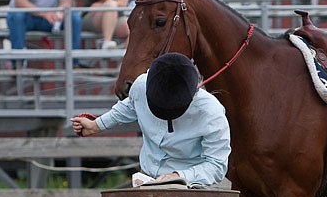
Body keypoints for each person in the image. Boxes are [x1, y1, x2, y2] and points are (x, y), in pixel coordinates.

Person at [70, 53, 231, 186]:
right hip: (145, 179)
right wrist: (96, 125)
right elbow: (130, 104)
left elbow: (217, 165)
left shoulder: (212, 112)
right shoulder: (141, 85)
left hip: (192, 187)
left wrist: (178, 176)